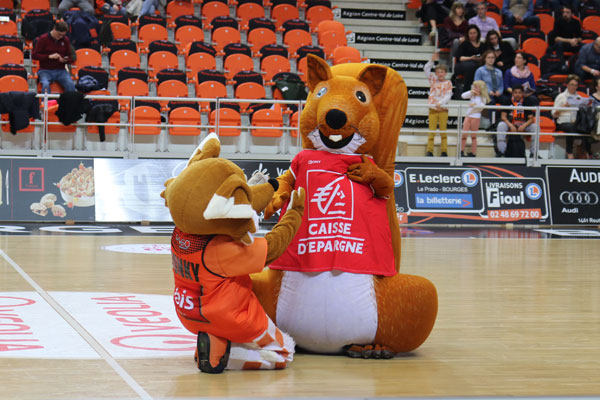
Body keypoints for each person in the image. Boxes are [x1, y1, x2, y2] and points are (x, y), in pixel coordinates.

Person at [552, 74, 593, 159]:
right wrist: (563, 107)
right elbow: (554, 114)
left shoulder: (579, 98)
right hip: (562, 122)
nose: (574, 87)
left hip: (575, 121)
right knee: (570, 128)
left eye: (575, 85)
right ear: (567, 85)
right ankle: (569, 152)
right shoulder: (561, 97)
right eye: (572, 84)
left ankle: (586, 151)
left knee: (587, 127)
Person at [32, 21, 77, 94]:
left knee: (71, 85)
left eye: (63, 35)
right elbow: (34, 55)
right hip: (45, 70)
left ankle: (70, 104)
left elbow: (71, 57)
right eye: (59, 34)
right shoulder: (43, 39)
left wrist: (64, 60)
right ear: (54, 29)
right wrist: (49, 56)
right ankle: (46, 104)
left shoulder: (65, 40)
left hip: (61, 70)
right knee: (45, 85)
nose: (60, 37)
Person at [496, 85, 538, 157]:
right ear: (512, 93)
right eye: (515, 92)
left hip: (523, 124)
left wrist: (523, 126)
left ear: (522, 94)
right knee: (501, 125)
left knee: (535, 127)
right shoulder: (507, 101)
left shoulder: (527, 102)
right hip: (510, 123)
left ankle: (533, 153)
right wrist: (511, 125)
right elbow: (503, 117)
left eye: (519, 92)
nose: (517, 94)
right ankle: (501, 152)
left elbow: (531, 119)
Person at [424, 51, 453, 157]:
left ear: (445, 73)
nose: (440, 74)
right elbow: (426, 69)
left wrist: (440, 103)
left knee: (443, 131)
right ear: (436, 73)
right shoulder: (433, 80)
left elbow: (448, 95)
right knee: (431, 131)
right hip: (432, 109)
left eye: (442, 72)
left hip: (443, 109)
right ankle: (429, 150)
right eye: (438, 72)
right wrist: (432, 60)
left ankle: (444, 151)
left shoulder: (448, 83)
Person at [461, 80, 490, 156]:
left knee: (473, 136)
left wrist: (474, 103)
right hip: (468, 116)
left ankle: (473, 152)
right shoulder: (472, 94)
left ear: (481, 88)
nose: (474, 88)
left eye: (476, 87)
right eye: (474, 86)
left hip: (476, 117)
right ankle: (461, 151)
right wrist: (470, 92)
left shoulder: (483, 97)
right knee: (464, 134)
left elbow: (481, 107)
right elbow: (463, 96)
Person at [453, 24, 483, 97]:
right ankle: (466, 91)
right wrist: (471, 58)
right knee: (470, 67)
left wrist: (481, 58)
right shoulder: (465, 44)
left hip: (477, 64)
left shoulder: (482, 45)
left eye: (474, 33)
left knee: (476, 67)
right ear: (468, 34)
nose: (473, 35)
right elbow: (459, 58)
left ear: (478, 33)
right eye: (471, 33)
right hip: (463, 64)